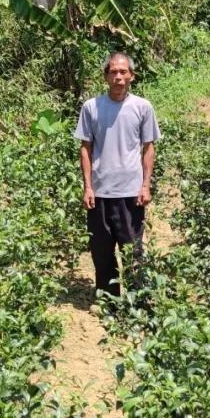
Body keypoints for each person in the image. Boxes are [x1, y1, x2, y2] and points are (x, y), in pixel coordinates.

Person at [74, 53, 161, 298]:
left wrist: (145, 185)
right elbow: (85, 148)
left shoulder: (142, 107)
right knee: (101, 251)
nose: (118, 77)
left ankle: (137, 302)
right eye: (113, 72)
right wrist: (88, 187)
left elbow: (148, 147)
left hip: (130, 192)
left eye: (123, 72)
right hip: (100, 193)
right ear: (106, 77)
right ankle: (109, 300)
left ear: (131, 76)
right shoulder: (91, 107)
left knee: (133, 250)